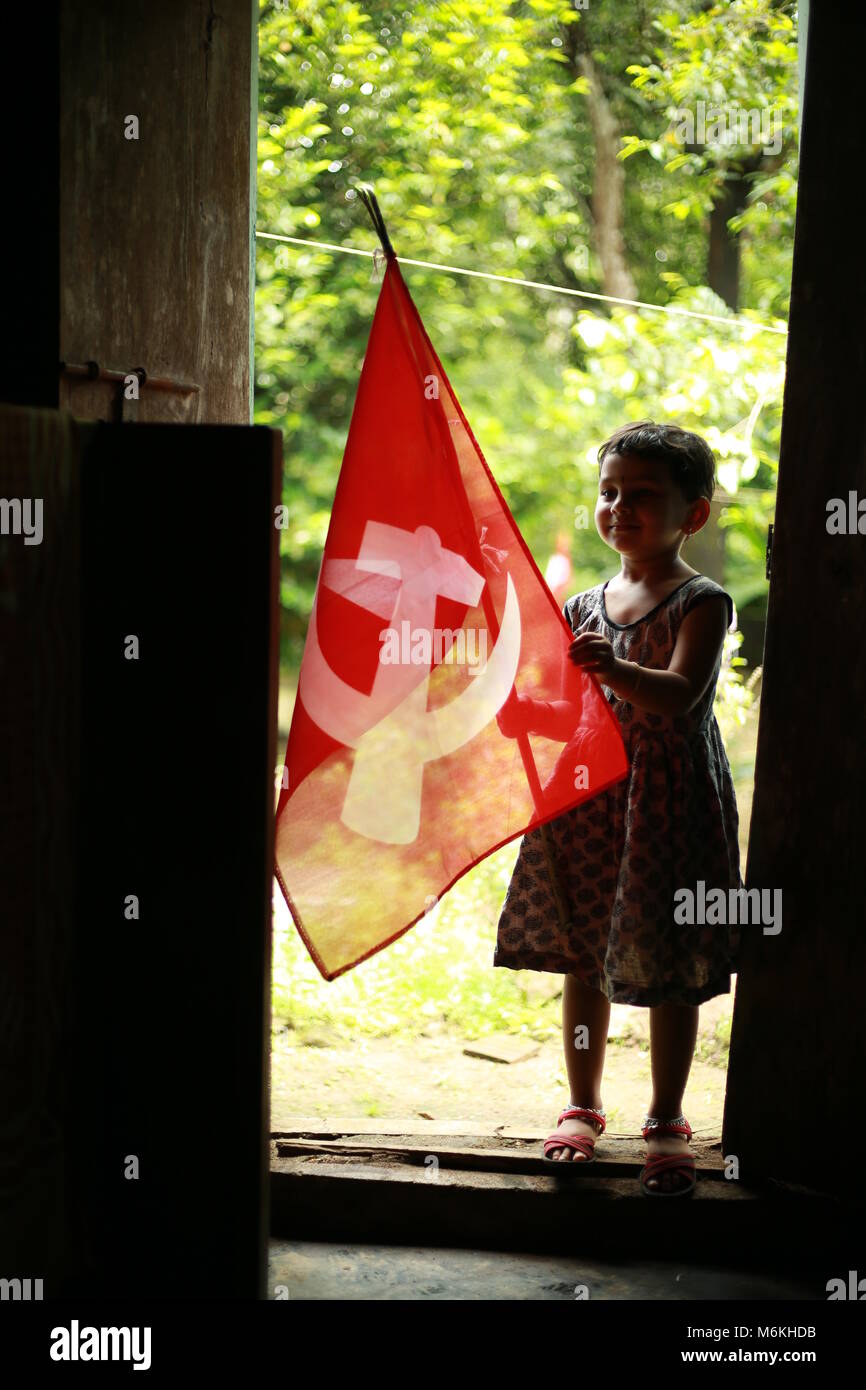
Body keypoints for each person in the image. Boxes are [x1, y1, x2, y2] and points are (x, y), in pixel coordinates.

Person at [493, 420, 742, 1196]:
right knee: (585, 953)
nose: (619, 507)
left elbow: (678, 698)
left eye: (642, 495)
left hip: (668, 806)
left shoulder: (703, 600)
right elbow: (576, 715)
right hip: (592, 803)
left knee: (669, 961)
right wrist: (521, 713)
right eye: (608, 492)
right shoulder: (581, 604)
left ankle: (667, 1118)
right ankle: (582, 1105)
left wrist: (613, 671)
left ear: (692, 514)